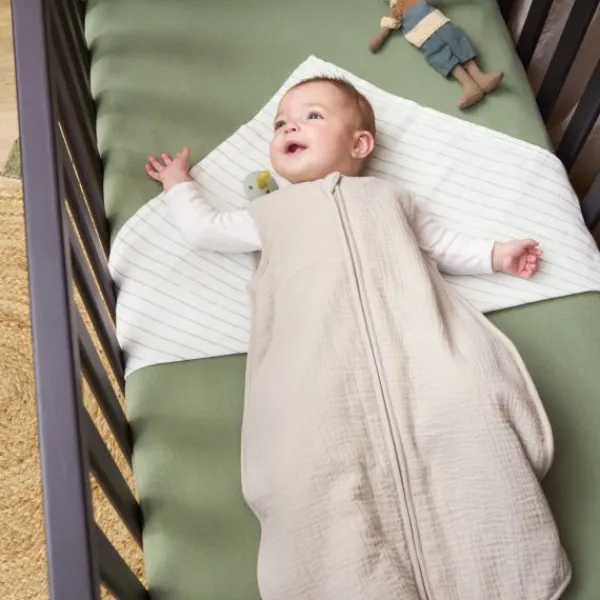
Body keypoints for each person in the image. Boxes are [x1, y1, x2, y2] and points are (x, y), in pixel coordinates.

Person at [144, 77, 570, 600]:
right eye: (281, 124)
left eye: (312, 116)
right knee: (311, 455)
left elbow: (441, 246)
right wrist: (178, 184)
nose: (290, 127)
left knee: (468, 401)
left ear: (360, 143)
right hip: (320, 362)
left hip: (417, 342)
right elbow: (204, 230)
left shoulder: (392, 198)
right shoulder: (268, 215)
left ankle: (500, 564)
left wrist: (496, 254)